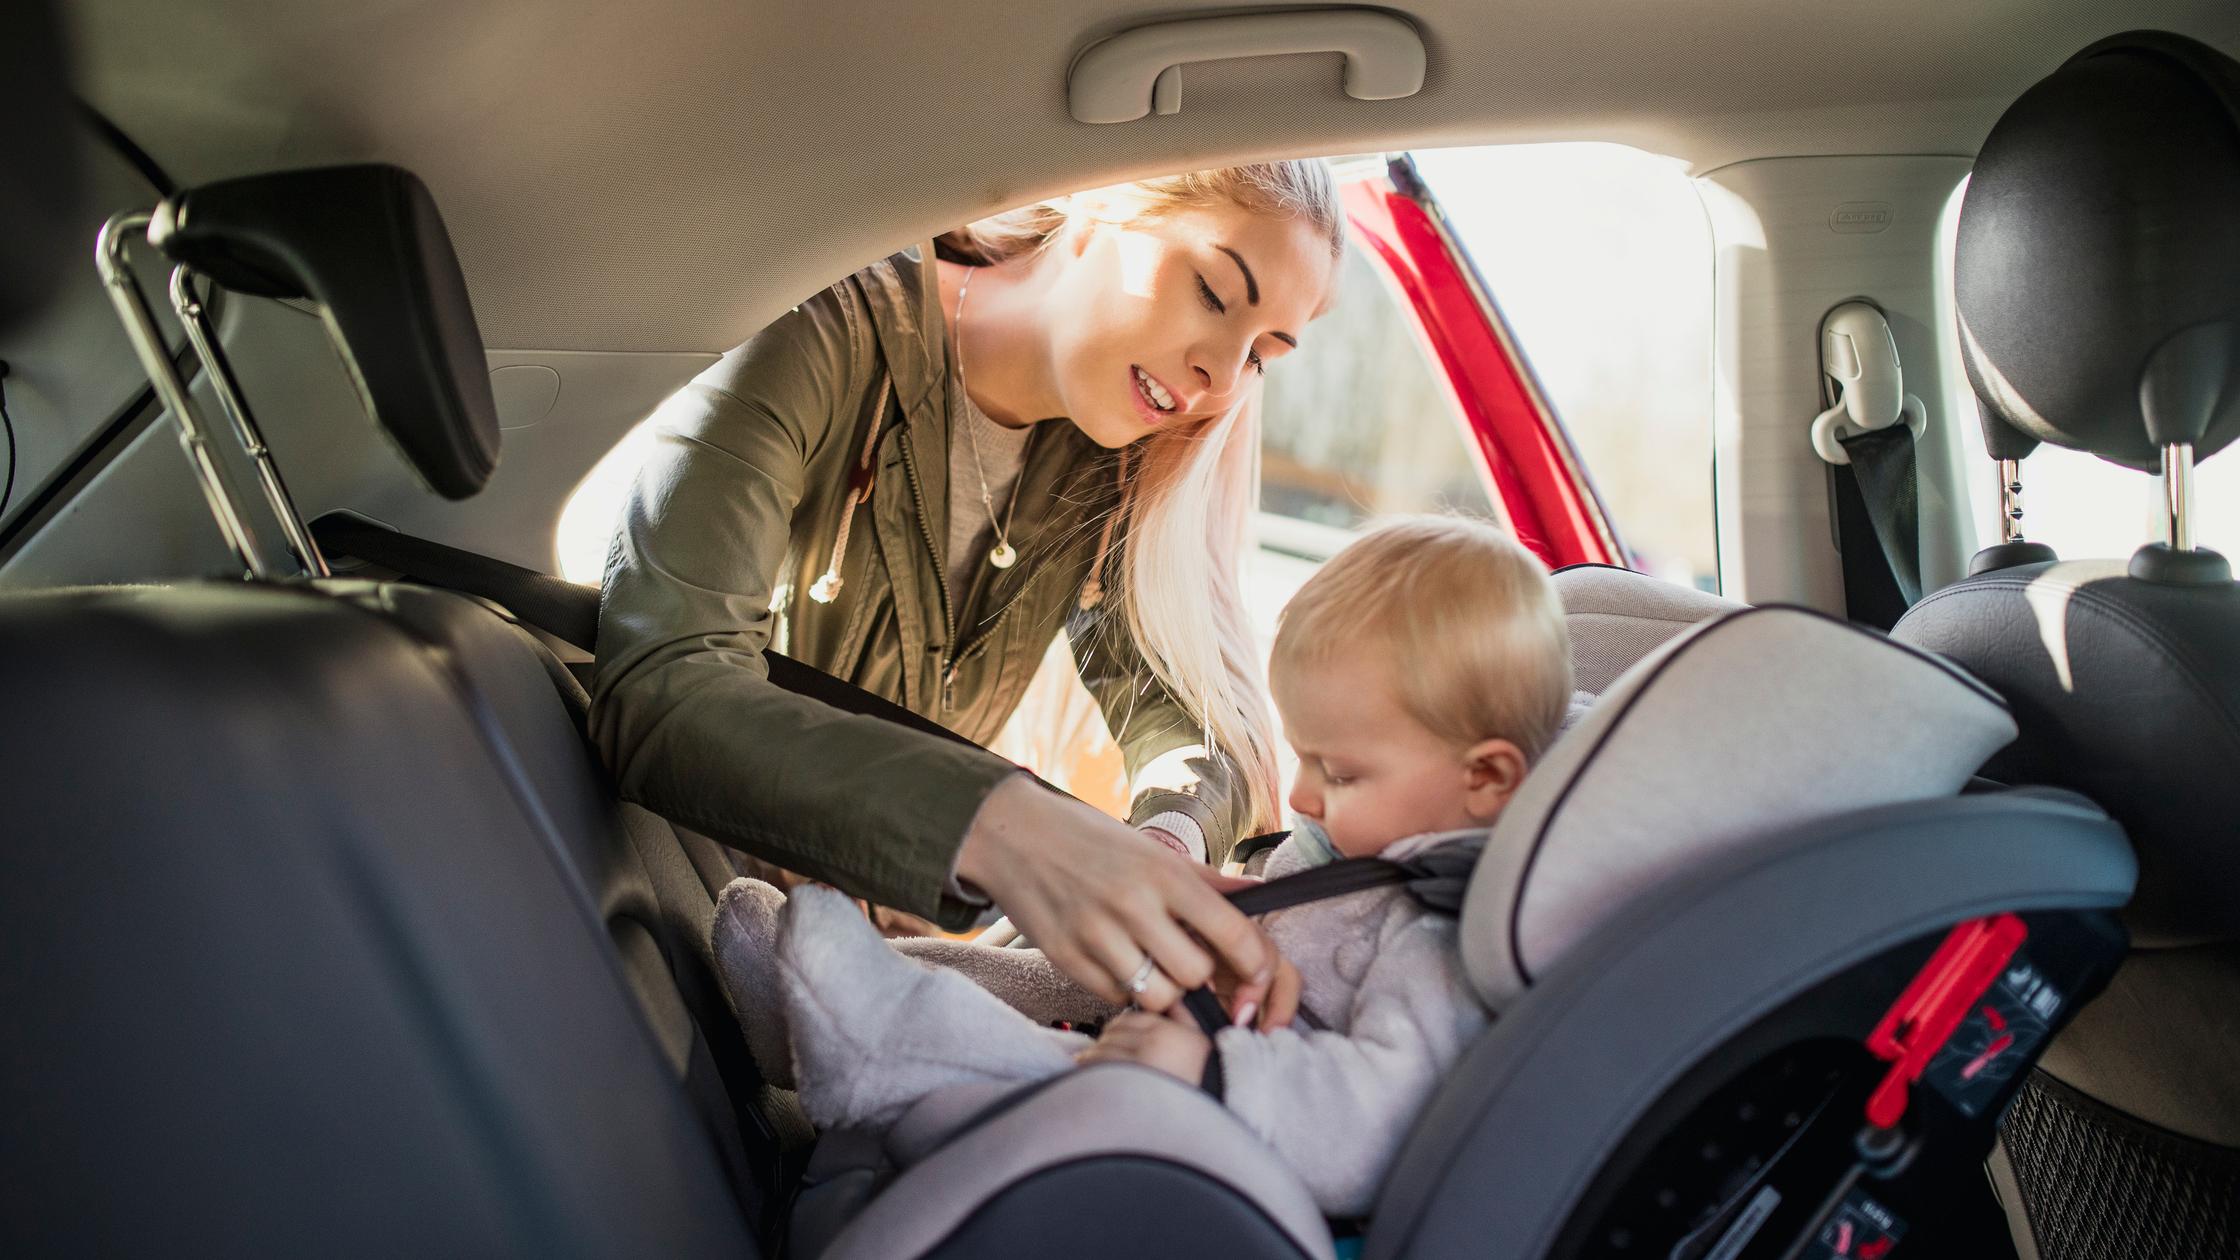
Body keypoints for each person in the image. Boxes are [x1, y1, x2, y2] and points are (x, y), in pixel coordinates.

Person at [592, 164, 1346, 1013]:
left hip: (859, 965)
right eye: (1212, 292)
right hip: (683, 921)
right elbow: (662, 688)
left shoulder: (1111, 456)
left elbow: (1181, 714)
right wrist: (1003, 827)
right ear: (1101, 204)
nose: (1221, 373)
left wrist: (1165, 843)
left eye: (1263, 355)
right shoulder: (823, 331)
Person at [715, 517, 1579, 1215]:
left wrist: (1205, 1072)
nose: (1304, 796)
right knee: (1051, 971)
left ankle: (862, 1029)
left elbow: (1375, 1127)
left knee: (1030, 1063)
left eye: (1342, 772)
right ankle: (822, 994)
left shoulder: (1441, 938)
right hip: (1195, 1018)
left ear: (1487, 778)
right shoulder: (1376, 843)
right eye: (1303, 757)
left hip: (1212, 1129)